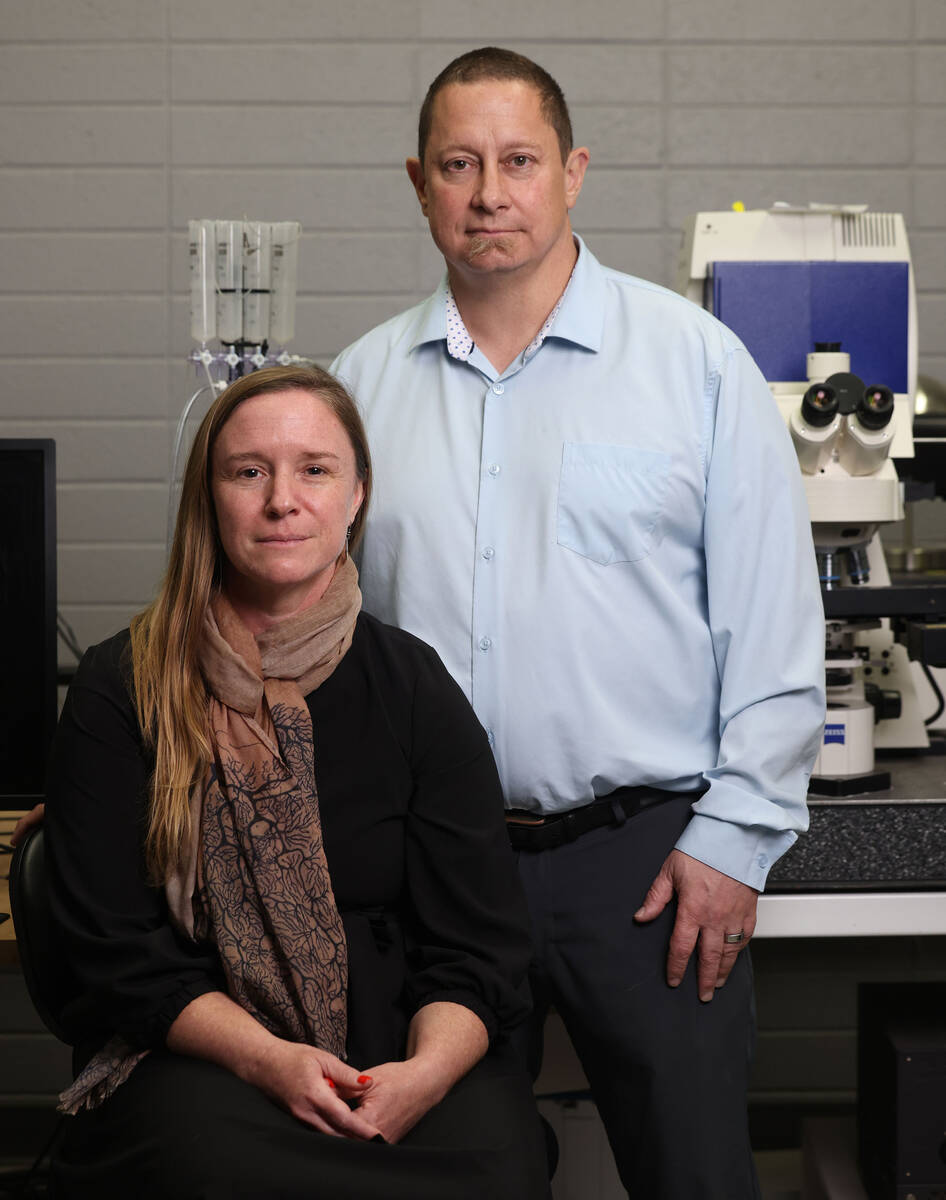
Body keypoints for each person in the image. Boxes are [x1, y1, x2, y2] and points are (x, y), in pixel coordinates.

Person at [331, 47, 826, 1199]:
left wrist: (731, 844)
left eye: (517, 161)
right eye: (458, 164)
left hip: (649, 868)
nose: (488, 191)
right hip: (435, 876)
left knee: (693, 1175)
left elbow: (771, 629)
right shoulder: (359, 389)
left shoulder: (693, 366)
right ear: (418, 184)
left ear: (573, 172)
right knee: (445, 1174)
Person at [40, 365, 550, 1199]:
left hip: (398, 1048)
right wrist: (272, 1062)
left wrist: (421, 1075)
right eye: (250, 471)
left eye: (315, 469)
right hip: (204, 1054)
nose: (284, 500)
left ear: (356, 496)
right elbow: (115, 953)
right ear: (210, 497)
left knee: (502, 1160)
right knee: (211, 1167)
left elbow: (480, 946)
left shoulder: (414, 686)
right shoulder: (120, 686)